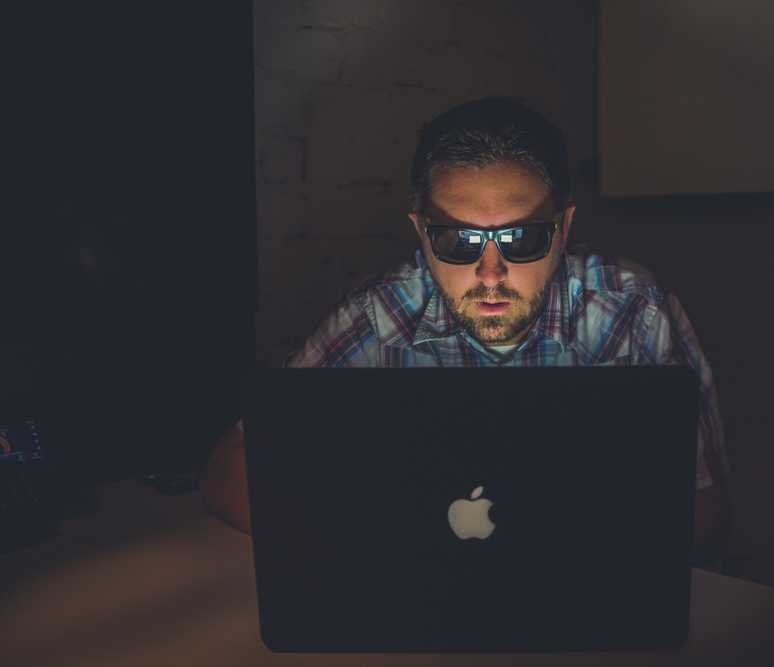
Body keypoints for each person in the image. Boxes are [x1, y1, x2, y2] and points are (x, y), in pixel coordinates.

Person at [200, 97, 732, 564]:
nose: (491, 274)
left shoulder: (635, 310)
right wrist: (375, 541)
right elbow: (231, 469)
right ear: (422, 233)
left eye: (521, 237)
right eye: (458, 241)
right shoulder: (377, 316)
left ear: (564, 228)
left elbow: (703, 506)